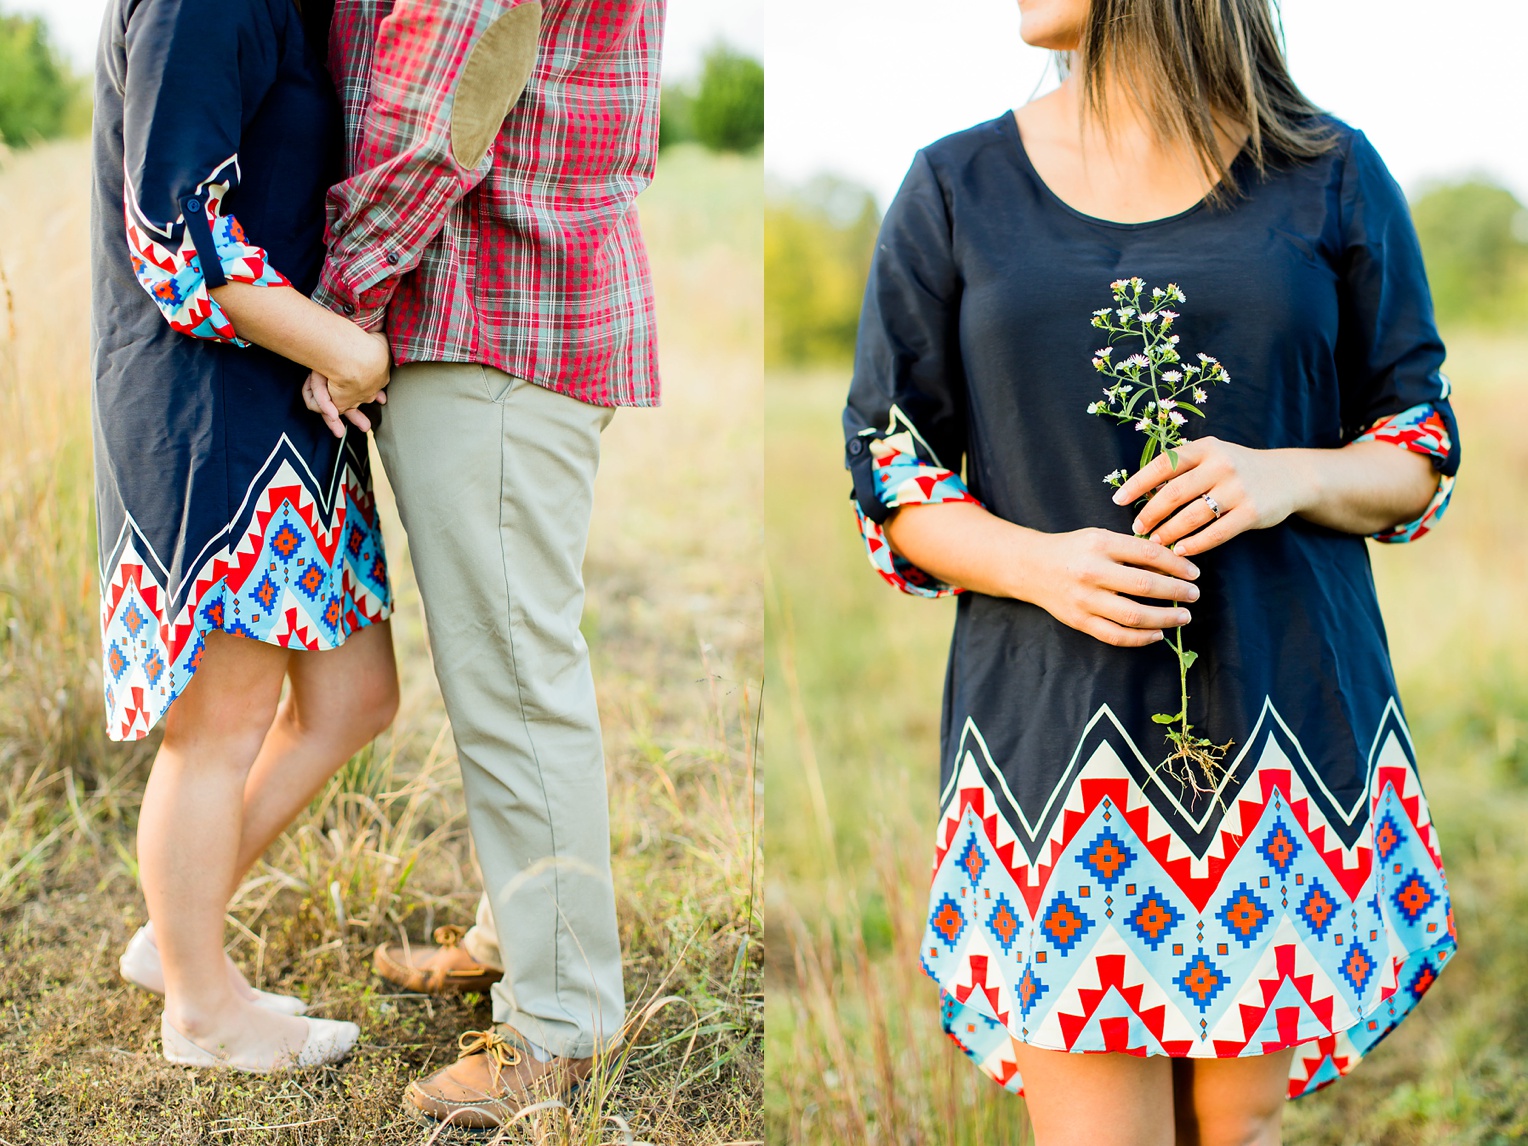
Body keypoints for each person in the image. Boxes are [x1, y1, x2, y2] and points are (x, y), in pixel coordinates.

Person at [841, 0, 1459, 1142]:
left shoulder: (1327, 172)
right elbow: (894, 471)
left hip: (1286, 750)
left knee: (1239, 1132)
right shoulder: (953, 184)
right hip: (1056, 763)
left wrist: (1293, 475)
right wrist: (1034, 562)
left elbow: (1416, 447)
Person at [302, 0, 665, 1126]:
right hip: (521, 299)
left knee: (513, 682)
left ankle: (560, 1026)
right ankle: (516, 938)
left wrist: (341, 303)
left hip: (488, 300)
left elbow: (446, 89)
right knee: (506, 664)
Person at [92, 0, 399, 1070]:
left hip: (281, 394)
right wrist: (348, 351)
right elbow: (178, 235)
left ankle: (179, 933)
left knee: (357, 694)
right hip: (204, 406)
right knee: (219, 721)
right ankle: (202, 1012)